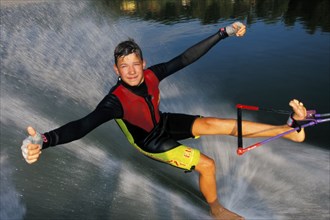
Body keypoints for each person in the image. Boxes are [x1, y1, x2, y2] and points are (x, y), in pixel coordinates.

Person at [21, 22, 307, 220]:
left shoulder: (152, 75)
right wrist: (44, 140)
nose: (132, 71)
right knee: (207, 165)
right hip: (150, 140)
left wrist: (224, 33)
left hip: (164, 121)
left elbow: (185, 58)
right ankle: (216, 210)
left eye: (136, 64)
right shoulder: (114, 101)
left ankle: (289, 131)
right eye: (125, 67)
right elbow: (82, 125)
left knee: (224, 124)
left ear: (143, 63)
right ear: (116, 70)